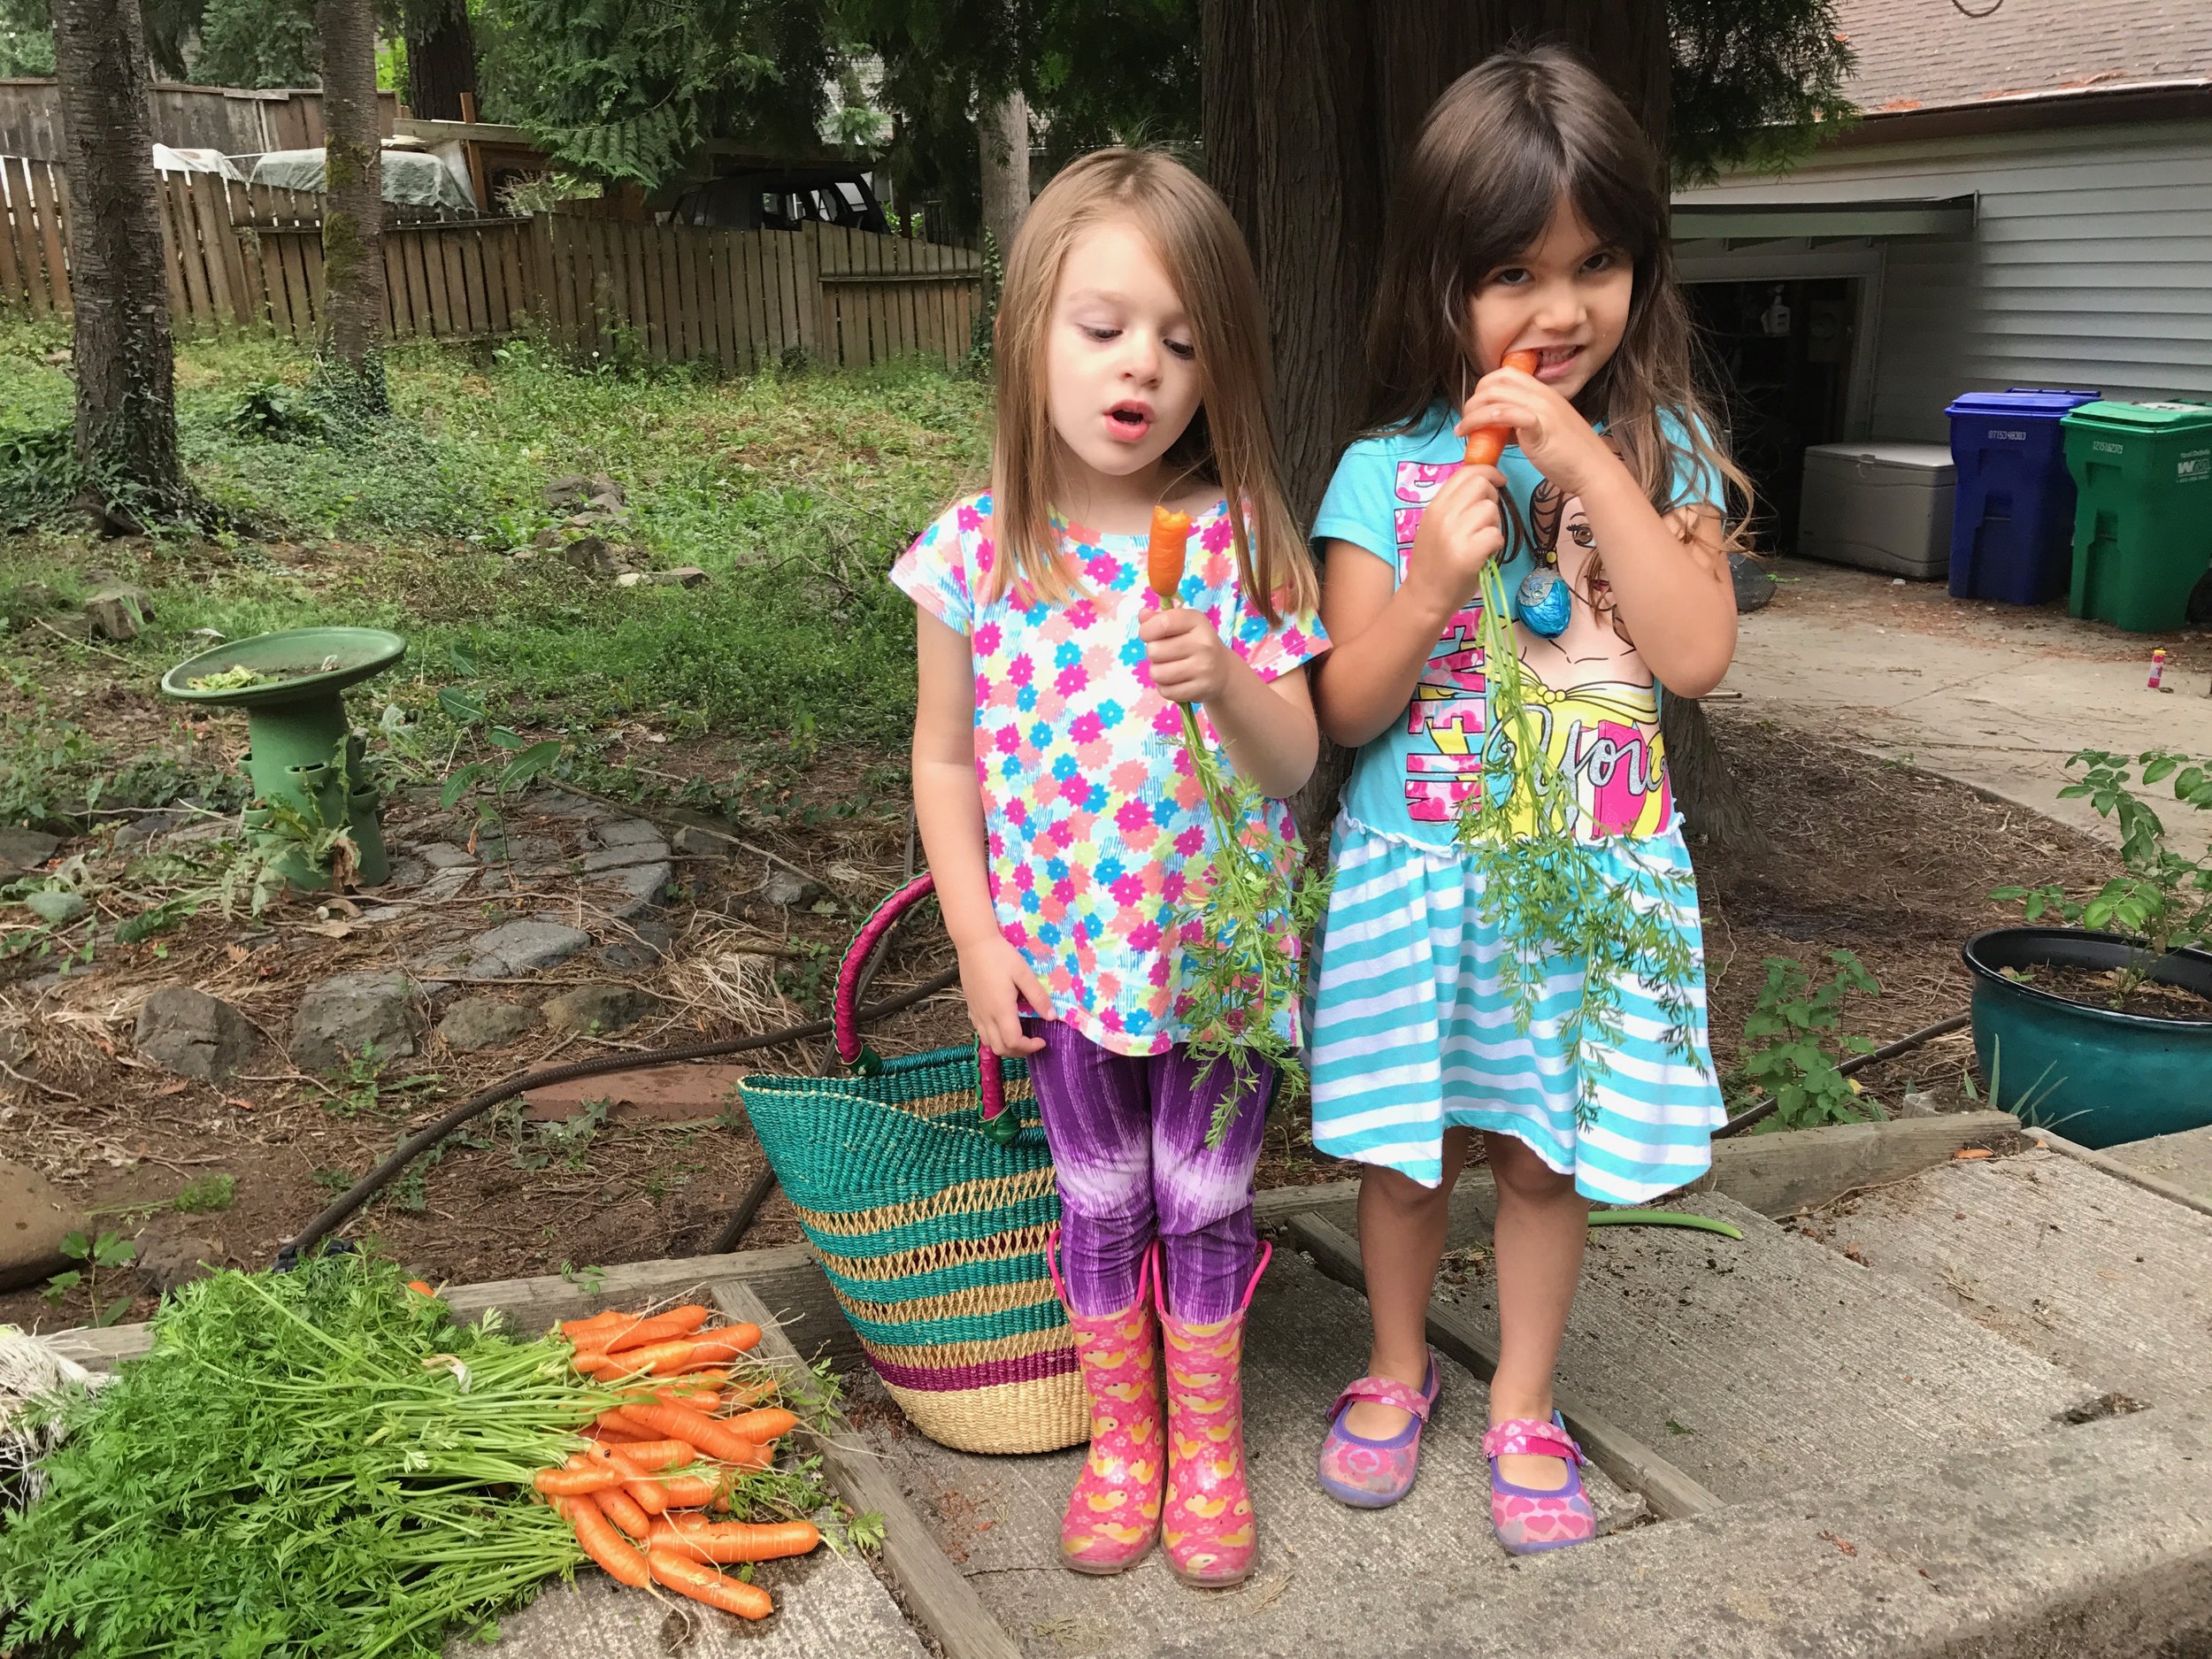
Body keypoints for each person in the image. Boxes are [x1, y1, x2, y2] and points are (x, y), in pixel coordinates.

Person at [1303, 47, 1750, 1553]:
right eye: (1513, 272)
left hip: (1589, 876)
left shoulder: (1664, 454)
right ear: (1441, 281)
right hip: (1416, 876)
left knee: (1546, 1153)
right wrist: (1435, 577)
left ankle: (1526, 1404)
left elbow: (1693, 659)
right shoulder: (1380, 476)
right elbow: (1342, 712)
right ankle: (1391, 1367)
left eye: (1598, 263)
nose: (1561, 311)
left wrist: (1590, 467)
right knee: (1403, 1151)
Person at [895, 147, 1326, 1587]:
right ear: (1030, 336)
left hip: (1214, 965)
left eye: (1183, 341)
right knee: (1098, 1198)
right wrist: (973, 937)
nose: (1141, 368)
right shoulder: (974, 553)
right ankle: (1122, 1442)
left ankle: (1205, 1448)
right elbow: (943, 757)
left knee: (1204, 1200)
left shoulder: (1243, 540)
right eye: (1104, 327)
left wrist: (1227, 683)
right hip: (1063, 960)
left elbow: (1293, 763)